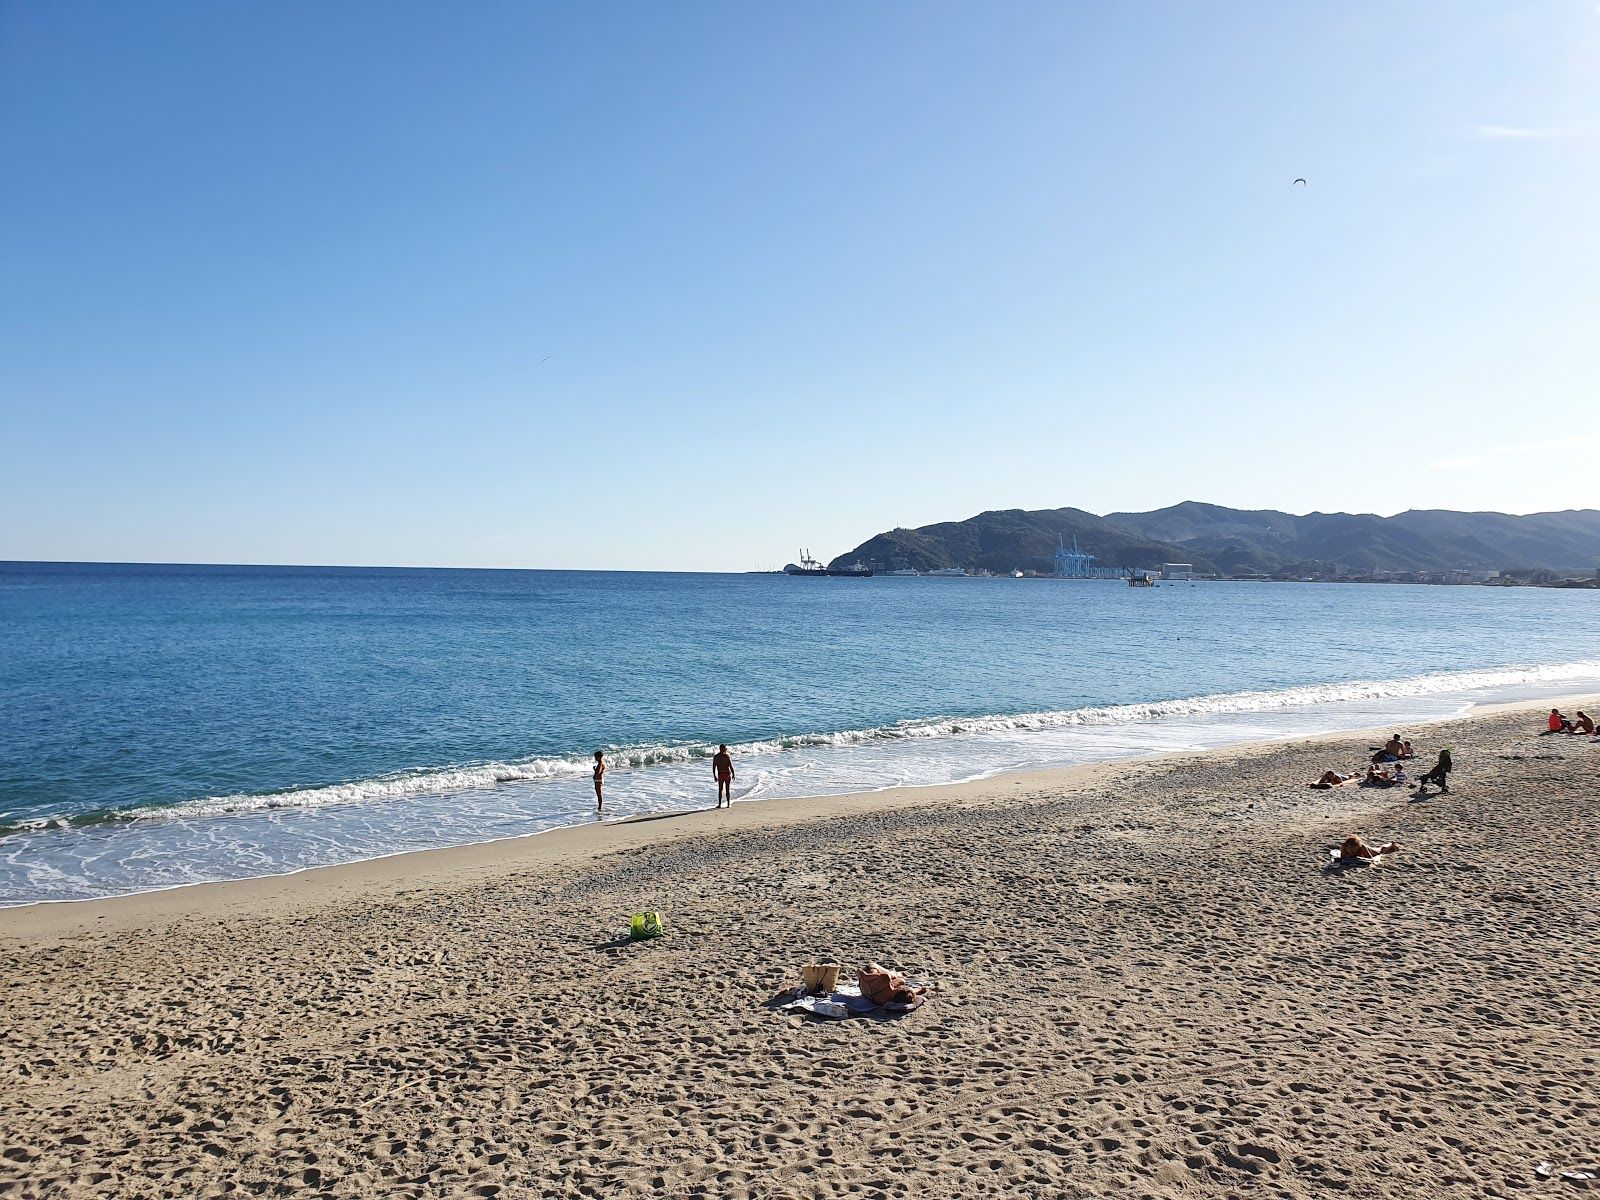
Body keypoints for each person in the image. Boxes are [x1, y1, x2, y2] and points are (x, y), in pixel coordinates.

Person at [712, 743, 735, 808]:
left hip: (721, 774)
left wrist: (714, 775)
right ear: (723, 749)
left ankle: (720, 804)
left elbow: (714, 767)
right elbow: (730, 766)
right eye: (725, 748)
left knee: (720, 790)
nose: (726, 749)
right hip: (727, 773)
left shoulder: (716, 757)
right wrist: (733, 774)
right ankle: (728, 804)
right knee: (727, 789)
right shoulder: (727, 756)